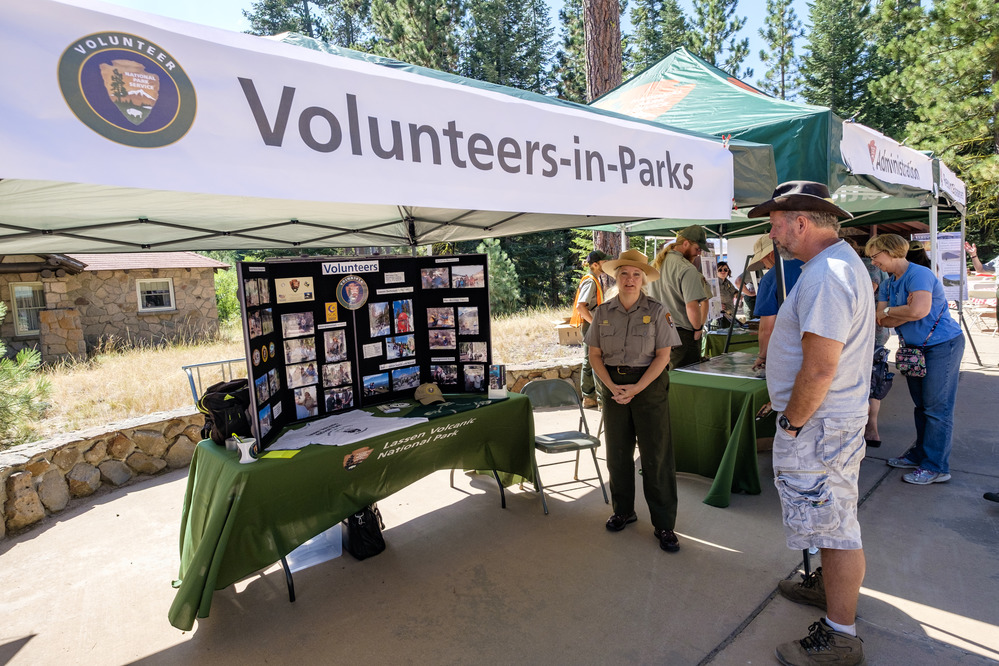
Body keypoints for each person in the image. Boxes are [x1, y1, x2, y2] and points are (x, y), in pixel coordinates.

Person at [749, 181, 872, 665]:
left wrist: (792, 422)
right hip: (828, 422)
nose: (774, 235)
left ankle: (842, 634)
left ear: (801, 222)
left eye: (776, 225)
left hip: (820, 427)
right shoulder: (834, 266)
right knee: (830, 521)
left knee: (837, 527)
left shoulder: (826, 275)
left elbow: (820, 367)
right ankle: (829, 591)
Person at [585, 249, 683, 553]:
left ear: (643, 279)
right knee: (617, 454)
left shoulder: (656, 310)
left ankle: (664, 524)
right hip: (613, 387)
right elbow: (594, 355)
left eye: (636, 274)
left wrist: (637, 388)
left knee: (656, 456)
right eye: (624, 273)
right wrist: (611, 385)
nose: (630, 279)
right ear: (617, 277)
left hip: (649, 386)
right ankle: (623, 510)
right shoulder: (602, 312)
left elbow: (664, 356)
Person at [868, 233, 965, 485]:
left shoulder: (919, 274)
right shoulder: (891, 282)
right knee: (922, 406)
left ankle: (936, 467)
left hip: (941, 347)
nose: (873, 262)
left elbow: (918, 311)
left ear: (890, 251)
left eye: (875, 256)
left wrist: (893, 311)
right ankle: (920, 455)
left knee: (936, 408)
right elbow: (881, 318)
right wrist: (902, 312)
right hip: (915, 350)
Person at [649, 225, 711, 369]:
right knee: (685, 384)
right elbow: (692, 306)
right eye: (697, 248)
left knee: (664, 380)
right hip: (681, 335)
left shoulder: (654, 264)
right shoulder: (687, 269)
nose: (699, 253)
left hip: (657, 333)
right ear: (685, 243)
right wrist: (698, 328)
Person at [746, 236, 803, 371]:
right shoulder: (810, 264)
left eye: (764, 261)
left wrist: (763, 356)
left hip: (788, 354)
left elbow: (767, 328)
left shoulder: (771, 278)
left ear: (771, 254)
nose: (765, 266)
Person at [571, 250, 609, 408]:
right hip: (591, 324)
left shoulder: (594, 279)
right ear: (595, 264)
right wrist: (595, 323)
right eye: (604, 262)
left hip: (590, 324)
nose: (606, 265)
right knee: (595, 360)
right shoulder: (591, 281)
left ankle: (589, 398)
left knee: (589, 360)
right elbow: (581, 306)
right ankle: (600, 400)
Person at [714, 261, 740, 328]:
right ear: (715, 271)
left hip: (730, 315)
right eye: (720, 270)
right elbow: (707, 298)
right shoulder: (713, 284)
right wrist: (716, 305)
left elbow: (735, 291)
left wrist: (737, 295)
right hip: (720, 317)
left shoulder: (727, 282)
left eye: (725, 270)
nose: (723, 272)